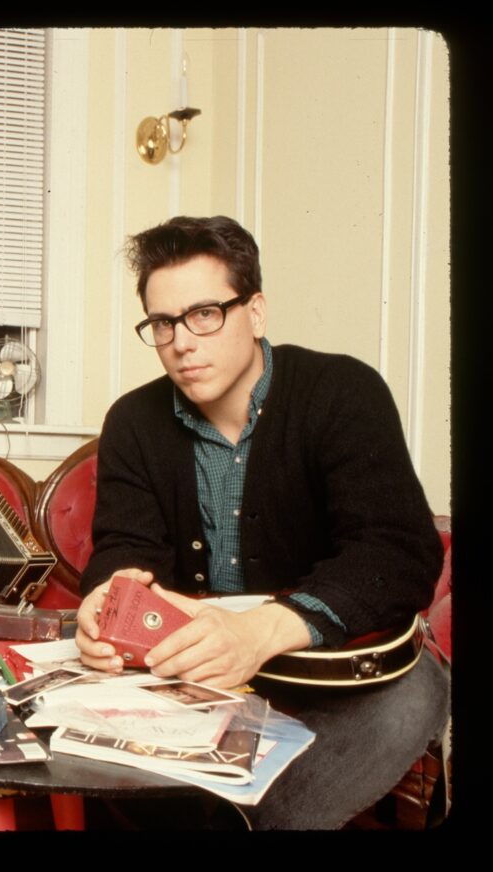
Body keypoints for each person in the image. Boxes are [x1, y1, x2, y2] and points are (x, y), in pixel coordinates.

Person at [74, 215, 448, 829]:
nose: (182, 342)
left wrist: (267, 630)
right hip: (195, 678)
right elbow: (124, 546)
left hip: (334, 670)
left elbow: (397, 551)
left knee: (413, 701)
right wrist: (105, 600)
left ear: (255, 312)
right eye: (163, 323)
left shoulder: (343, 391)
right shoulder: (134, 422)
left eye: (204, 314)